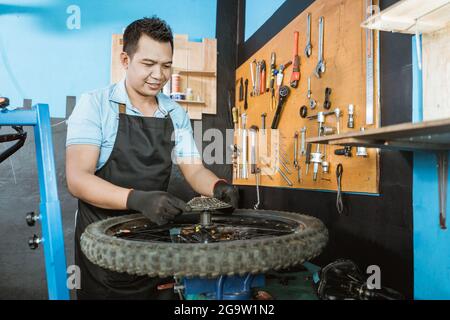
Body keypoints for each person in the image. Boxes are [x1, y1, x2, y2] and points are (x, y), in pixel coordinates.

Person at [65, 16, 238, 300]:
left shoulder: (175, 113)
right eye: (148, 64)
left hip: (153, 245)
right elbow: (77, 179)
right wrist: (137, 199)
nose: (159, 75)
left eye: (166, 65)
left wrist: (219, 187)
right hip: (103, 246)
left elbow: (194, 170)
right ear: (125, 59)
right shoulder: (95, 105)